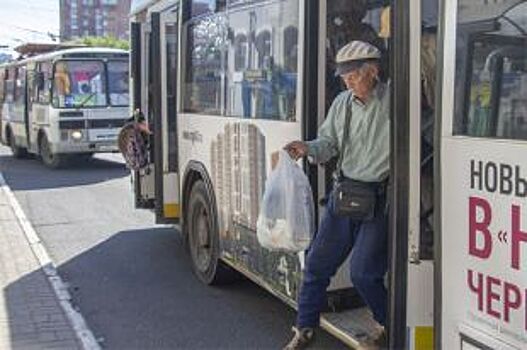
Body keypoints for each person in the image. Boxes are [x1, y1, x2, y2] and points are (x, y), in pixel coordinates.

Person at [283, 40, 390, 350]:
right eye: (344, 76)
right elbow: (328, 143)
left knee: (364, 274)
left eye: (354, 74)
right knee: (316, 265)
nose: (347, 81)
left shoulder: (396, 101)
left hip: (380, 199)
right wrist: (307, 148)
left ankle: (388, 323)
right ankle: (304, 329)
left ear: (373, 71)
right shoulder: (342, 103)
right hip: (344, 194)